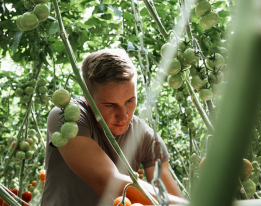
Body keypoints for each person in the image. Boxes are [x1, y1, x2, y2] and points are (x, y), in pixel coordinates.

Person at [41, 49, 188, 205]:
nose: (123, 116)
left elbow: (168, 196)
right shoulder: (67, 117)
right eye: (110, 105)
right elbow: (106, 183)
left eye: (130, 101)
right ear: (88, 98)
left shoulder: (146, 137)